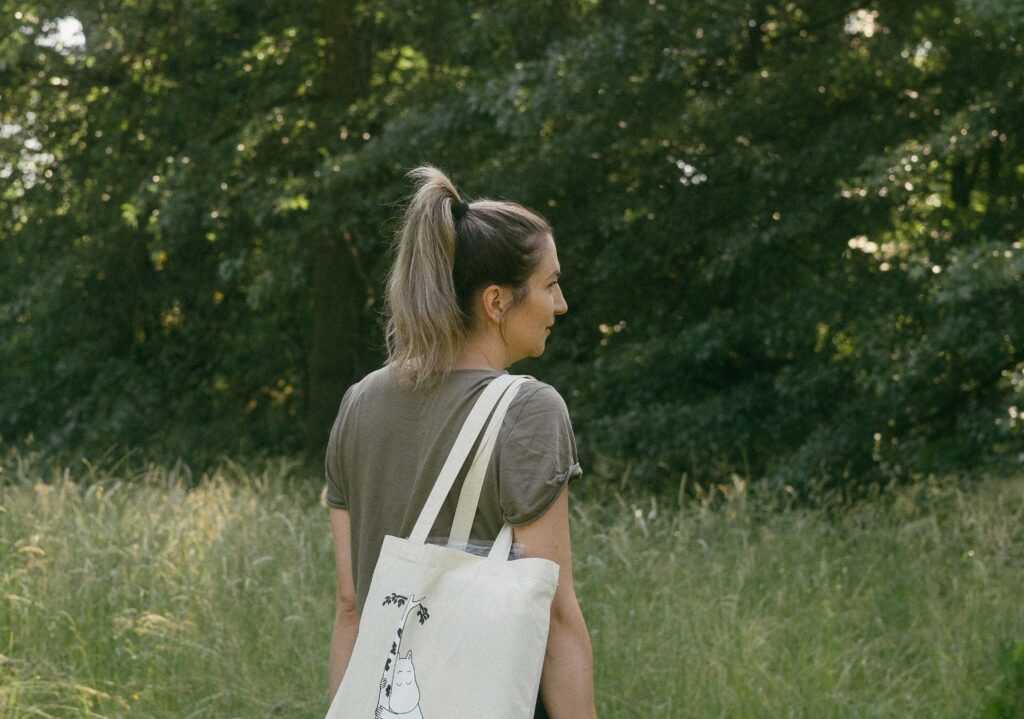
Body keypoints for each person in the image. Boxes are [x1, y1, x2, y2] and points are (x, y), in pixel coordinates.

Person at [323, 166, 596, 719]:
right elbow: (556, 617)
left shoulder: (359, 402)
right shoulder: (528, 410)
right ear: (497, 302)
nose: (560, 304)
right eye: (550, 284)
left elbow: (352, 607)